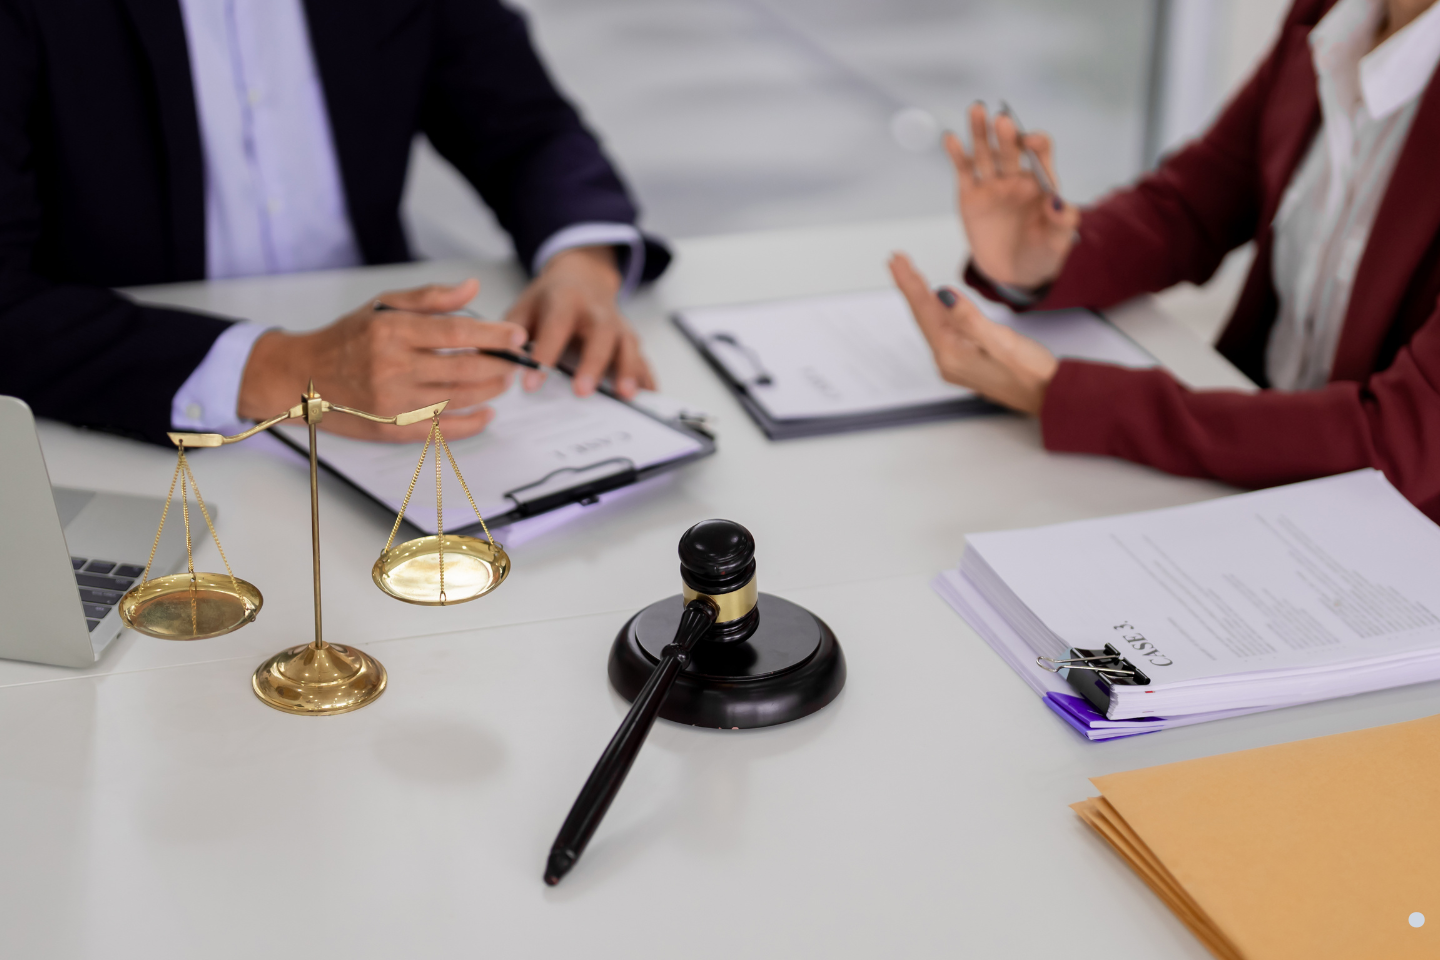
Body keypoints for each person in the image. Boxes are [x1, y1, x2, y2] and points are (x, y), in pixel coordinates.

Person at [0, 0, 665, 444]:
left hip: (393, 381)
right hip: (123, 403)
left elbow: (530, 129)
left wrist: (582, 261)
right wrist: (282, 368)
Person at [890, 0, 1440, 520]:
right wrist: (1045, 259)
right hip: (1245, 472)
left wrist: (1065, 395)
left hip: (1387, 540)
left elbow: (1394, 442)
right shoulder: (1329, 16)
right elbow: (1193, 203)